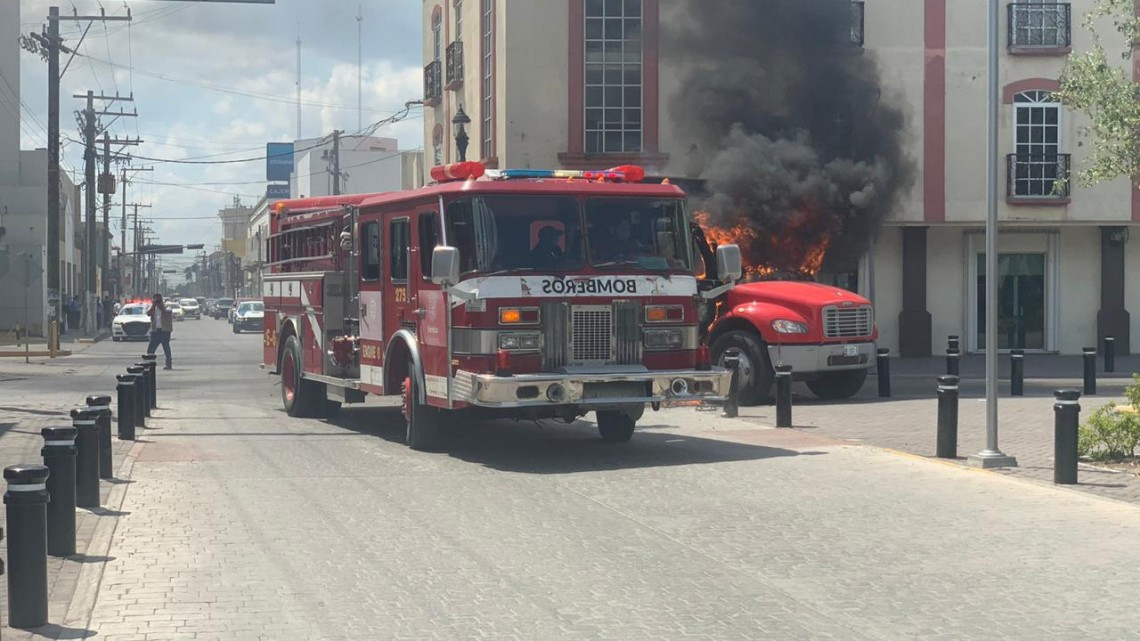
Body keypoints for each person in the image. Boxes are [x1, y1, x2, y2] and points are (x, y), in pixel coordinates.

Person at [146, 293, 173, 370]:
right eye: (156, 299)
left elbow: (167, 313)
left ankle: (168, 364)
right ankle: (149, 364)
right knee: (151, 349)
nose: (157, 301)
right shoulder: (153, 307)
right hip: (155, 330)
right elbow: (148, 313)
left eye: (159, 299)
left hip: (165, 330)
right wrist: (154, 305)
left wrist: (161, 306)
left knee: (166, 347)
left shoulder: (167, 305)